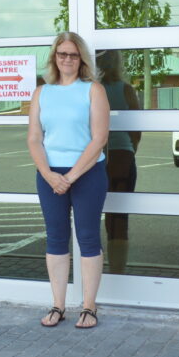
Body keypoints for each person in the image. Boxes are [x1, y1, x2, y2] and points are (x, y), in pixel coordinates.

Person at [27, 31, 110, 329]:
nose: (67, 59)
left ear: (81, 59)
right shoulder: (42, 93)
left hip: (87, 174)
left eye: (73, 55)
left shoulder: (93, 90)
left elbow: (99, 138)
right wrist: (50, 176)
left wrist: (70, 177)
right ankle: (58, 305)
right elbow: (35, 139)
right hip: (50, 176)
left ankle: (89, 307)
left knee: (87, 237)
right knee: (56, 238)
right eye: (61, 54)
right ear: (54, 58)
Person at [96, 49, 141, 275]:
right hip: (123, 156)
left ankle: (94, 267)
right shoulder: (126, 90)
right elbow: (136, 128)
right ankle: (117, 268)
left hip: (96, 157)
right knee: (120, 216)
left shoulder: (93, 89)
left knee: (96, 214)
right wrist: (131, 150)